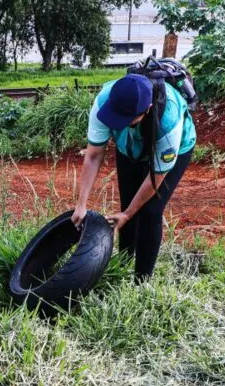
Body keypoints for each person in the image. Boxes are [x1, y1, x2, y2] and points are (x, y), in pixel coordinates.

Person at [72, 73, 196, 281]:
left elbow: (157, 175)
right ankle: (124, 263)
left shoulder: (169, 121)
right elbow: (93, 155)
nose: (118, 125)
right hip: (129, 148)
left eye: (126, 121)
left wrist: (129, 214)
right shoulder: (104, 100)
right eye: (115, 118)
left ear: (146, 110)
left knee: (150, 211)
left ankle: (142, 280)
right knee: (127, 204)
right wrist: (81, 204)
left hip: (174, 150)